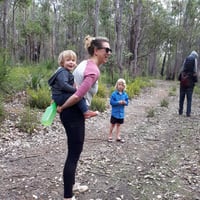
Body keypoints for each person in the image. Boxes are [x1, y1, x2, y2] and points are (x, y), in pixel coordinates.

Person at [56, 35, 112, 200]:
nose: (109, 53)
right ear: (96, 50)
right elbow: (78, 95)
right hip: (73, 113)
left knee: (73, 151)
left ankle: (71, 186)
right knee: (74, 153)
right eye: (106, 50)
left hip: (72, 113)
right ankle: (68, 196)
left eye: (110, 50)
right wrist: (62, 107)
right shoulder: (93, 70)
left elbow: (74, 87)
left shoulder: (84, 64)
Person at [48, 50, 98, 119]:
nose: (71, 62)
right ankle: (86, 112)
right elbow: (63, 85)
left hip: (58, 96)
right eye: (68, 60)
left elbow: (57, 86)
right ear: (62, 62)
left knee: (77, 96)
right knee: (79, 96)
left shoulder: (63, 72)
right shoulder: (63, 72)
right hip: (60, 96)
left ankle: (59, 105)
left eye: (73, 60)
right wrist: (75, 90)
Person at [178, 50, 198, 117]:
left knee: (181, 97)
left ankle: (180, 111)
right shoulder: (194, 60)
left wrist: (182, 77)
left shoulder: (186, 58)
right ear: (195, 56)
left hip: (183, 81)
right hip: (190, 82)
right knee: (189, 99)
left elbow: (182, 69)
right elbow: (195, 71)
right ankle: (188, 113)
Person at [108, 78, 129, 143]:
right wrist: (118, 102)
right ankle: (110, 135)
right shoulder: (114, 94)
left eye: (122, 85)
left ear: (124, 86)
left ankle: (118, 136)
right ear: (117, 85)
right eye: (119, 84)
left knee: (119, 125)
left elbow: (127, 102)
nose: (120, 86)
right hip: (114, 113)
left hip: (121, 114)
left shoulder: (125, 94)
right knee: (112, 124)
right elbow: (111, 102)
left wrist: (124, 102)